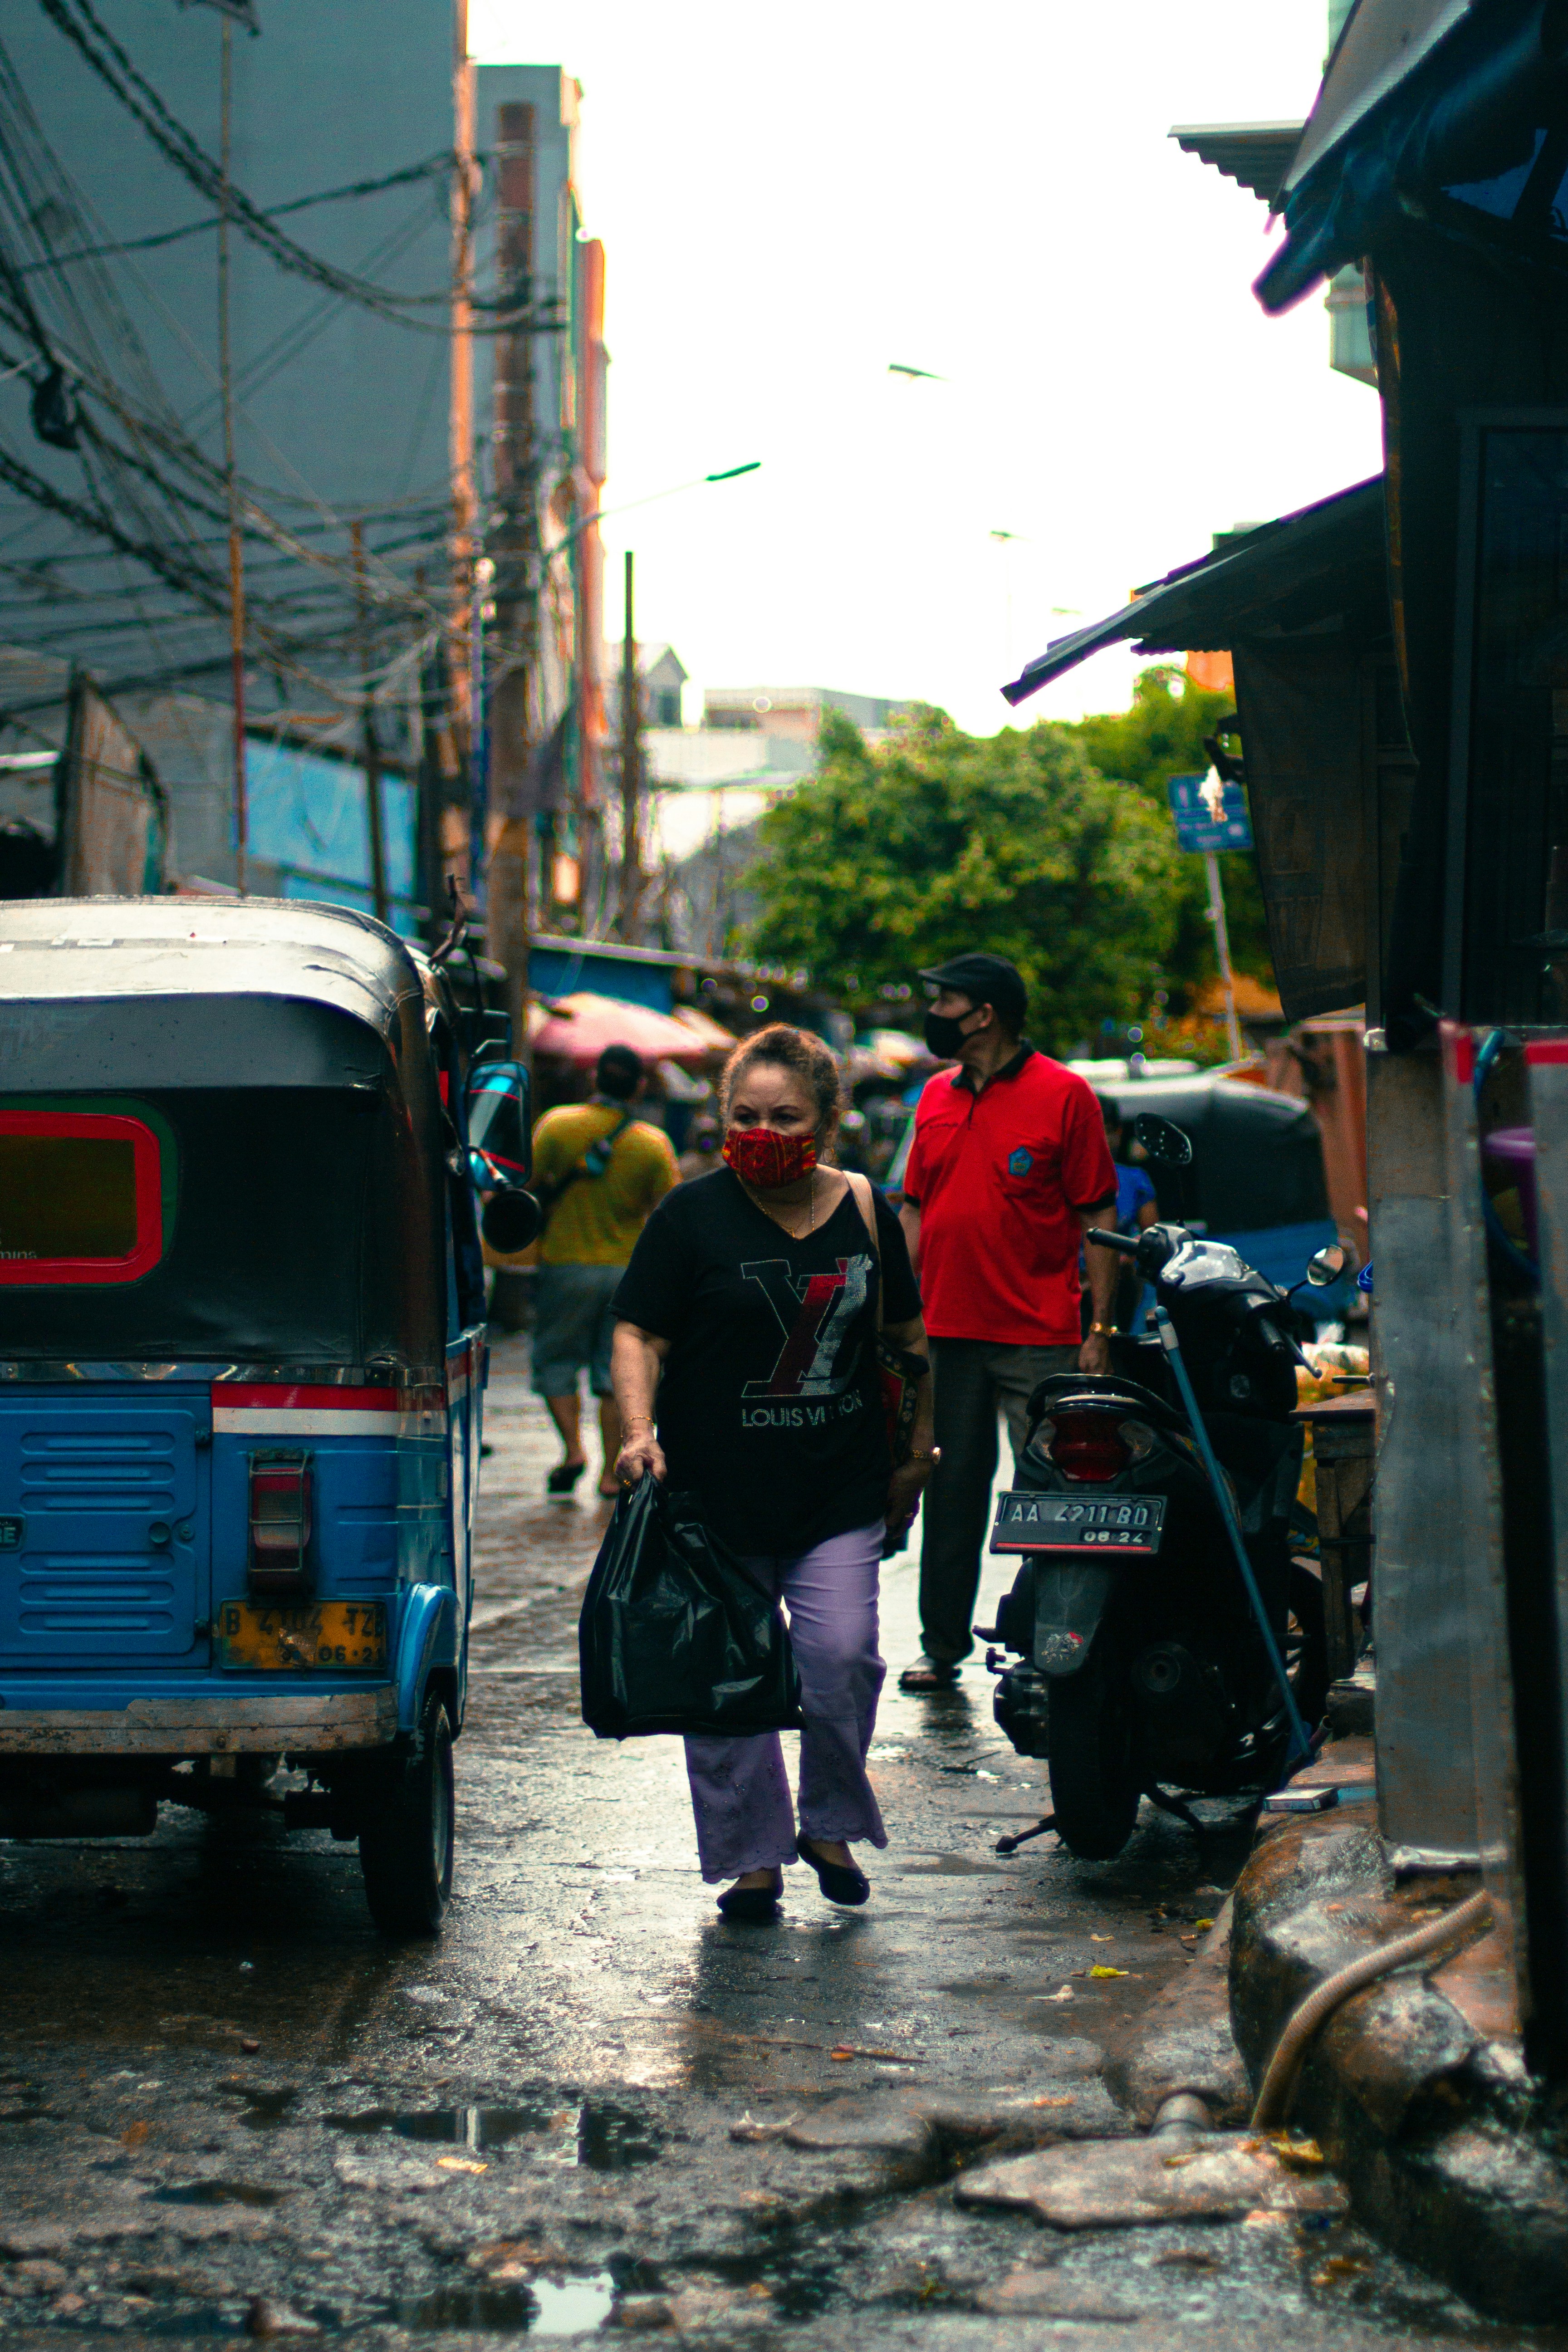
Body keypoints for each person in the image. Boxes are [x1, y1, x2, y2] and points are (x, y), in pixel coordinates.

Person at [610, 1023, 934, 1922]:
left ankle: (826, 1821)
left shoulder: (865, 1210)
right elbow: (638, 1329)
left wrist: (916, 1459)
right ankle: (752, 1860)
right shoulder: (690, 1215)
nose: (763, 1130)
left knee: (841, 1659)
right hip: (713, 1495)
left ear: (827, 1120)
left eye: (785, 1115)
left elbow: (907, 1344)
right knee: (727, 1685)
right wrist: (639, 1433)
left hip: (837, 1485)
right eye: (745, 1114)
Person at [896, 953, 1120, 1691]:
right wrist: (902, 1315)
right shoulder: (933, 1094)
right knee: (950, 1488)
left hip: (1039, 1334)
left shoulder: (1066, 1094)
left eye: (946, 999)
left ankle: (1050, 1638)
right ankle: (941, 1644)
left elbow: (1097, 1214)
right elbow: (915, 1207)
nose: (934, 1011)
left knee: (1051, 1495)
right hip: (948, 1334)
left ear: (984, 1013)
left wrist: (1101, 1328)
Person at [531, 1044, 678, 1500]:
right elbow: (668, 1213)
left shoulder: (556, 1126)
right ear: (639, 1086)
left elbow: (530, 1185)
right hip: (627, 1273)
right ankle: (612, 1475)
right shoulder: (652, 1143)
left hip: (565, 1264)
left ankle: (574, 1451)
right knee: (614, 1372)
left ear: (595, 1078)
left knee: (555, 1362)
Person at [1093, 1093, 1160, 1333]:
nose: (1100, 1140)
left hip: (1120, 1288)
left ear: (1118, 1133)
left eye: (1107, 1131)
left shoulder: (1135, 1180)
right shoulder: (1059, 1182)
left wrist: (1129, 1256)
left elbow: (1153, 1241)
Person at [676, 1111, 723, 1183]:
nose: (707, 1140)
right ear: (692, 1137)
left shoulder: (724, 1166)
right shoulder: (684, 1167)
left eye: (711, 1135)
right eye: (703, 1135)